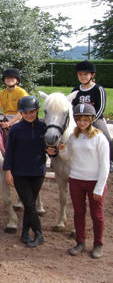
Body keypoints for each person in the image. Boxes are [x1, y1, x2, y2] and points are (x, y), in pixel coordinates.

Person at [56, 103, 109, 259]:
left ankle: (98, 244)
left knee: (96, 214)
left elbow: (105, 165)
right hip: (76, 179)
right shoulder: (74, 136)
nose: (82, 123)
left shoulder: (100, 138)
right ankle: (80, 242)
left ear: (91, 120)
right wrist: (62, 150)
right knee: (79, 213)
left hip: (94, 181)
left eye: (85, 120)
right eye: (79, 119)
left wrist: (99, 187)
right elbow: (67, 157)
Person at [3, 96, 47, 248]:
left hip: (38, 172)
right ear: (21, 113)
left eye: (32, 112)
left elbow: (50, 151)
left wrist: (54, 151)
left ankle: (25, 233)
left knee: (30, 205)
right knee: (29, 203)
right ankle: (39, 234)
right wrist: (7, 171)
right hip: (20, 172)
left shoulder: (44, 127)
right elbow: (9, 152)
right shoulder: (15, 129)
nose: (29, 115)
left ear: (37, 111)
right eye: (26, 112)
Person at [71, 60, 112, 168]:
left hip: (95, 120)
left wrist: (90, 122)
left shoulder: (98, 89)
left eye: (86, 74)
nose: (83, 77)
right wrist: (76, 122)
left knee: (107, 138)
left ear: (92, 75)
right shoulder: (75, 90)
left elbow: (101, 107)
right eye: (80, 74)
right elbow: (72, 107)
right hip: (78, 121)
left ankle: (110, 161)